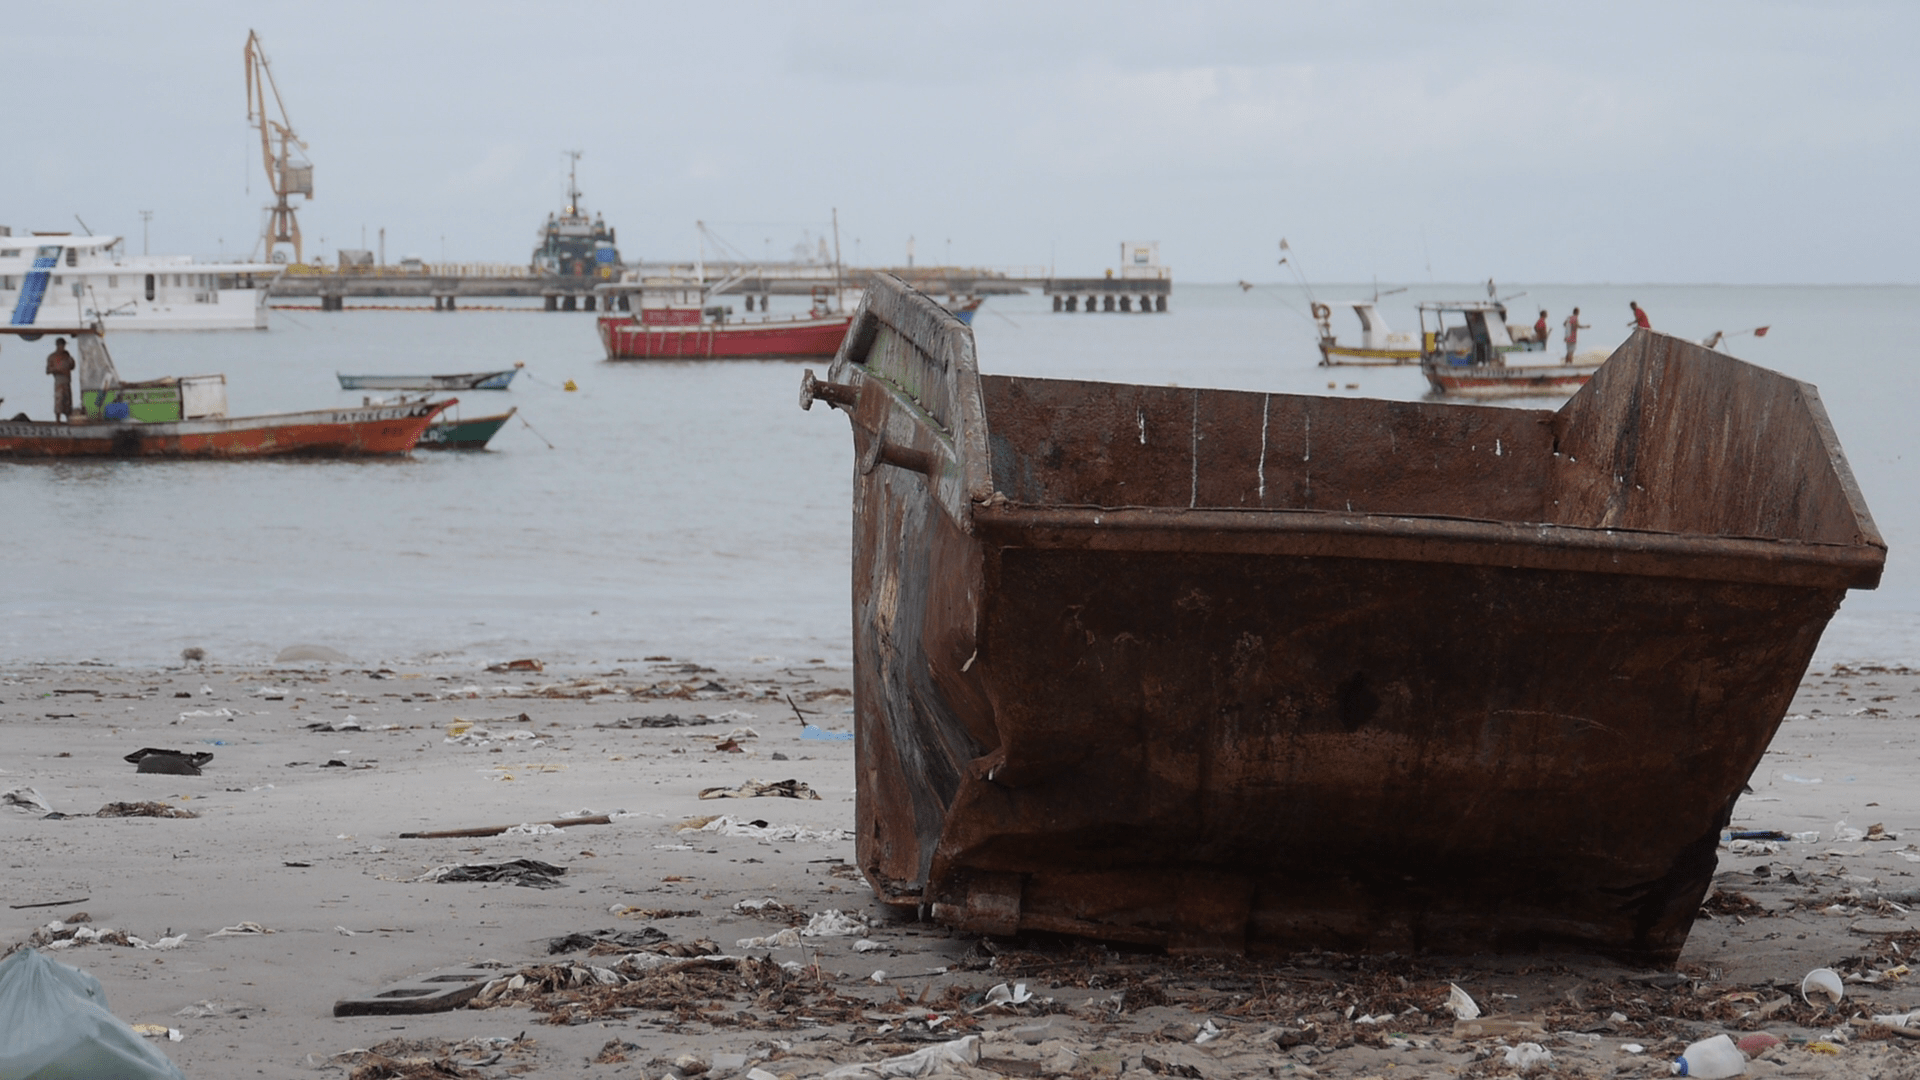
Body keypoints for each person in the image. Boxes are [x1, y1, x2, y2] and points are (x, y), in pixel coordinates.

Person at [45, 337, 75, 422]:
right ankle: (58, 420)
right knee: (59, 400)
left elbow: (72, 366)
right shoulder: (52, 357)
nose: (63, 347)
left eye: (63, 345)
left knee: (67, 401)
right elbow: (48, 370)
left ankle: (68, 419)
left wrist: (70, 358)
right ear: (58, 345)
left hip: (67, 381)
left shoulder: (66, 356)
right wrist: (57, 370)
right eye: (61, 345)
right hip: (59, 381)